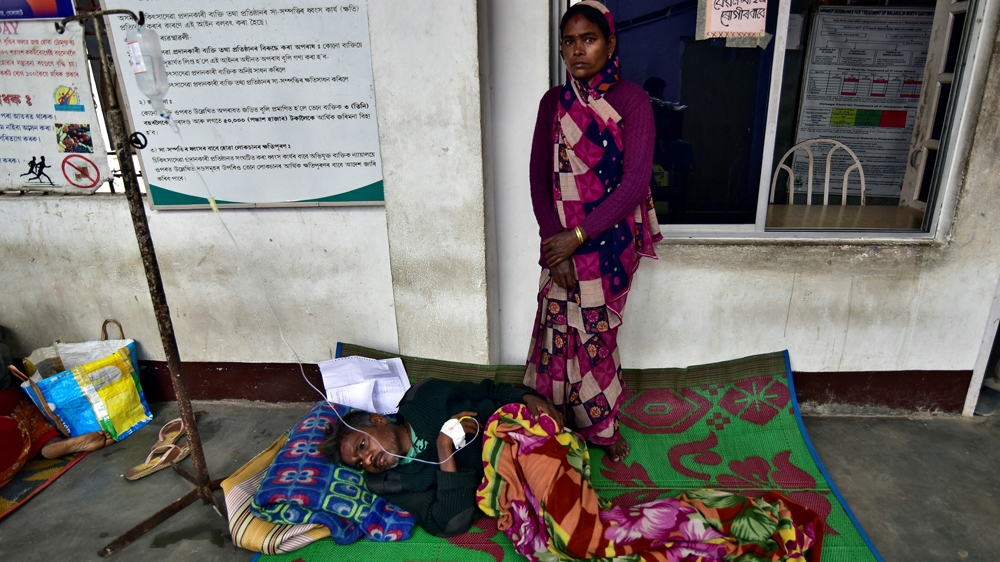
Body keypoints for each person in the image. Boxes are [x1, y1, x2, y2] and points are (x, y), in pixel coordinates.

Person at [522, 1, 661, 464]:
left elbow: (635, 183)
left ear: (610, 43)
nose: (578, 50)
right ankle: (553, 424)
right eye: (569, 41)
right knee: (557, 340)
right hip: (560, 246)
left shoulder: (632, 101)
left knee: (597, 343)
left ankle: (601, 428)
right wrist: (555, 249)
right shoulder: (552, 105)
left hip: (608, 247)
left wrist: (577, 239)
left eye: (589, 39)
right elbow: (540, 179)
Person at [319, 378, 562, 537]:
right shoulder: (397, 482)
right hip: (520, 477)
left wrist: (527, 398)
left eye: (363, 445)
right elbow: (450, 522)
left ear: (378, 420)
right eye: (360, 464)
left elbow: (486, 390)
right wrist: (444, 447)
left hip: (524, 431)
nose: (368, 460)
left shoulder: (424, 396)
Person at [0, 386, 113, 488]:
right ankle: (50, 441)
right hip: (11, 442)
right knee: (27, 409)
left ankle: (52, 442)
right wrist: (15, 390)